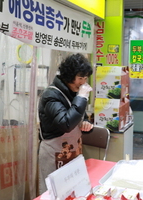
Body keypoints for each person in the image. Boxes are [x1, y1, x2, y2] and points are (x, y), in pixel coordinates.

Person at [38, 53, 93, 194]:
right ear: (69, 76)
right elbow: (66, 123)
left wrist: (85, 122)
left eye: (86, 78)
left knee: (73, 190)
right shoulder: (51, 95)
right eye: (80, 78)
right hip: (54, 151)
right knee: (53, 193)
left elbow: (80, 115)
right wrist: (81, 97)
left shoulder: (73, 91)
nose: (83, 82)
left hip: (73, 150)